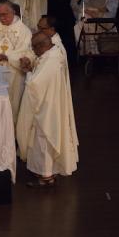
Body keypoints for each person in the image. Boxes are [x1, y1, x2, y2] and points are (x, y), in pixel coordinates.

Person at [16, 33, 79, 187]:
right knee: (44, 140)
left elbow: (35, 86)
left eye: (33, 48)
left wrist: (28, 72)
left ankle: (46, 176)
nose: (33, 51)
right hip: (51, 102)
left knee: (44, 139)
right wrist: (32, 67)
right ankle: (46, 172)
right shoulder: (54, 53)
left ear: (41, 46)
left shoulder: (51, 60)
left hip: (46, 108)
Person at [0, 1, 33, 124]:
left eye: (5, 14)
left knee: (12, 104)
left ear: (13, 12)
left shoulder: (23, 30)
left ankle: (11, 133)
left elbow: (27, 53)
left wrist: (7, 57)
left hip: (14, 73)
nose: (2, 18)